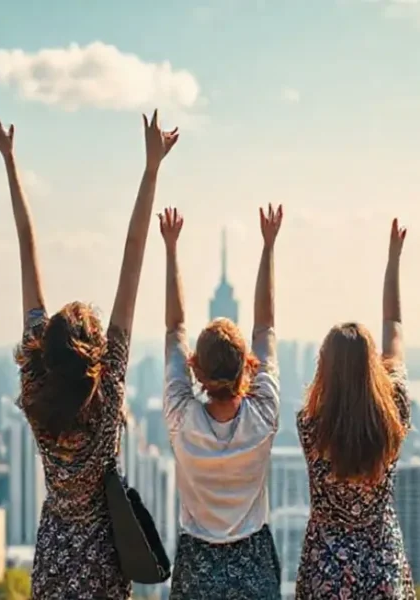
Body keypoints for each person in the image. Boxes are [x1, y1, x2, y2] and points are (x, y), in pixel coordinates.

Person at [0, 110, 179, 599]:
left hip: (54, 559)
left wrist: (9, 160)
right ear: (96, 356)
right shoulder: (107, 393)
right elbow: (133, 254)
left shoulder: (36, 389)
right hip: (102, 565)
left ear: (46, 352)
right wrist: (152, 168)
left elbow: (26, 246)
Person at [160, 204, 284, 600]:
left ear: (195, 368)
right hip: (254, 562)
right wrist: (268, 246)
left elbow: (175, 329)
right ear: (247, 365)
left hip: (196, 564)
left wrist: (171, 250)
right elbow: (265, 327)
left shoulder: (182, 418)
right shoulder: (262, 416)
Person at [294, 218, 415, 600]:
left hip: (326, 567)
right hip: (381, 564)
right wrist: (394, 259)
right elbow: (394, 325)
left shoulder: (311, 426)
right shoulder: (394, 414)